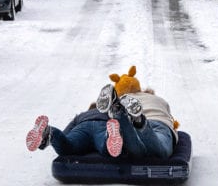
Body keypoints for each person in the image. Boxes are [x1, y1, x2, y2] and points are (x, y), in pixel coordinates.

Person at [25, 66, 178, 159]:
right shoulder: (159, 100)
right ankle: (133, 121)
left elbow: (67, 131)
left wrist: (59, 138)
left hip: (83, 127)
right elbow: (172, 122)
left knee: (68, 147)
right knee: (160, 152)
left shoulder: (81, 115)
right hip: (154, 125)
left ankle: (49, 133)